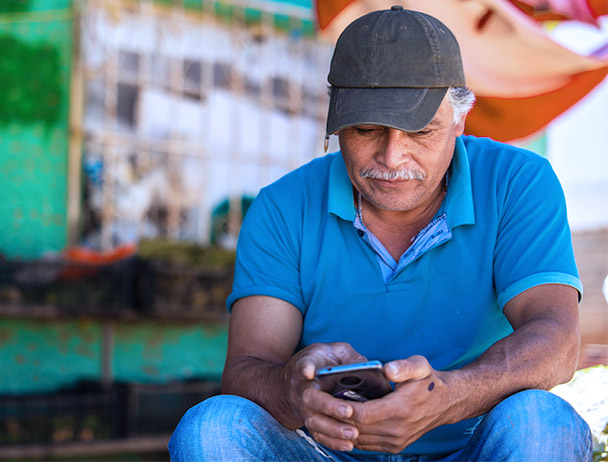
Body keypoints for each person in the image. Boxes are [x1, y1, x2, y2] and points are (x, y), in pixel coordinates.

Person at [168, 6, 592, 461]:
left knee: (543, 421)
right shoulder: (282, 206)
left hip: (472, 450)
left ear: (460, 120)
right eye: (366, 129)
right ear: (336, 122)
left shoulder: (517, 182)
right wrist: (293, 388)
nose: (392, 157)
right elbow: (247, 370)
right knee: (212, 427)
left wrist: (448, 396)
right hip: (325, 451)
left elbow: (557, 341)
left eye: (421, 130)